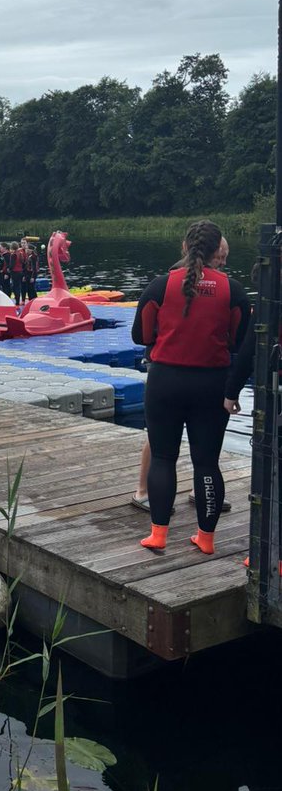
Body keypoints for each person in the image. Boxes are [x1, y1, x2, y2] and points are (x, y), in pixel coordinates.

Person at [131, 220, 250, 555]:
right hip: (212, 385)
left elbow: (140, 336)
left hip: (165, 382)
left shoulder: (160, 285)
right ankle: (206, 539)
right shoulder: (233, 290)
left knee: (164, 458)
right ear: (218, 253)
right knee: (206, 462)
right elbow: (241, 342)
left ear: (185, 248)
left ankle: (158, 534)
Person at [132, 237, 231, 510]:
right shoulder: (173, 277)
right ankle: (143, 490)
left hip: (197, 370)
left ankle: (203, 491)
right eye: (220, 256)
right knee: (159, 438)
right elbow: (143, 332)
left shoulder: (221, 283)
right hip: (166, 364)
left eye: (225, 257)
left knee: (206, 444)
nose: (222, 262)